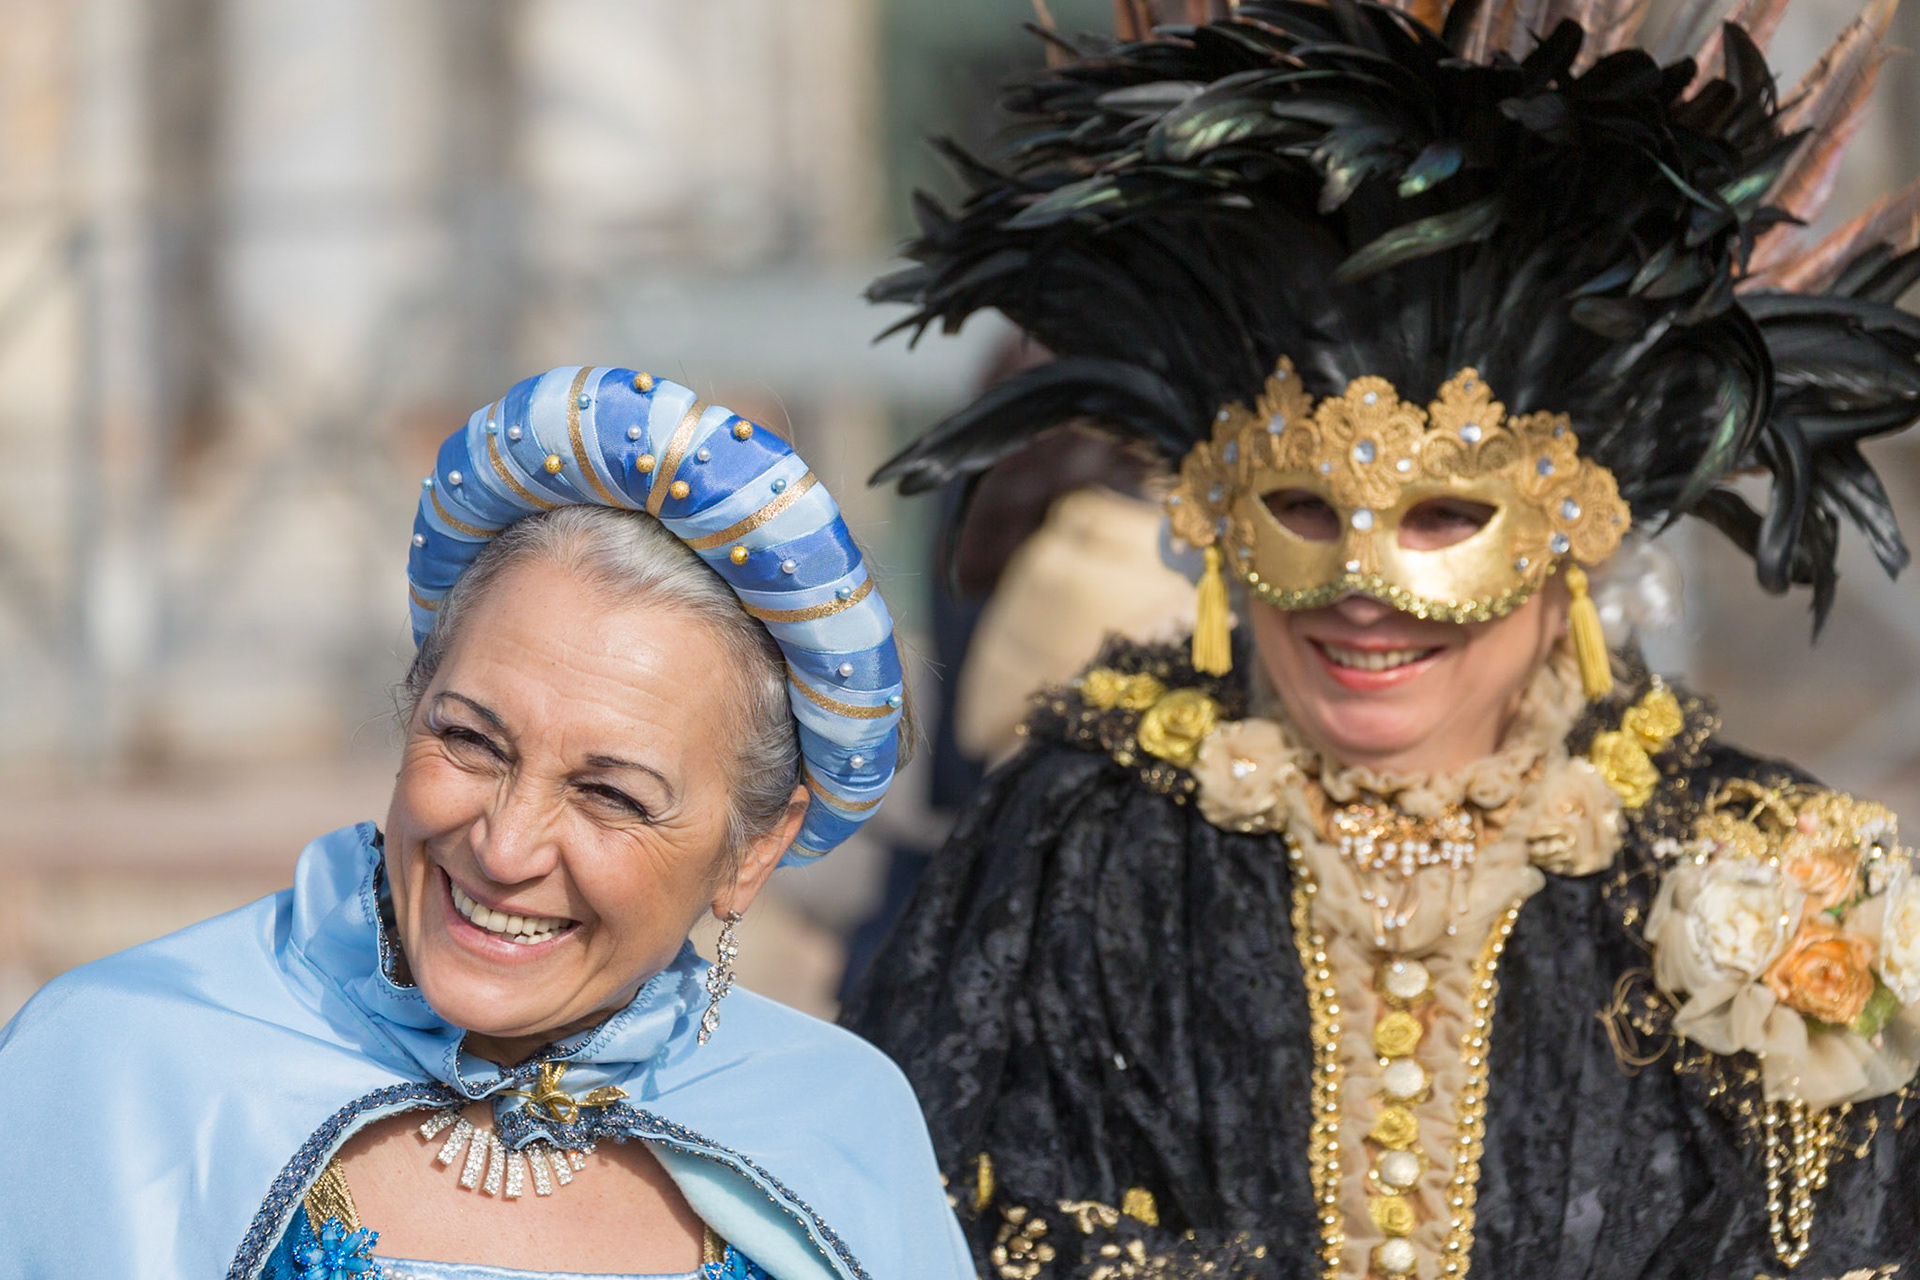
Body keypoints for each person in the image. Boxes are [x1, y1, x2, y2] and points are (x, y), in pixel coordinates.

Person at [842, 2, 1920, 1277]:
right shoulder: (1079, 839)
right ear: (1222, 519)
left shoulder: (1769, 870)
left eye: (1445, 517)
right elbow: (944, 1209)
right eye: (1303, 510)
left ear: (1570, 529)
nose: (1364, 589)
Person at [0, 366, 973, 1280]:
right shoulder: (115, 1067)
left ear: (752, 849)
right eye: (472, 740)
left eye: (611, 795)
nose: (505, 848)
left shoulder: (839, 1121)